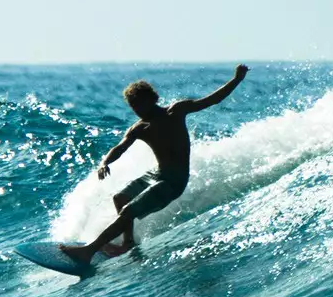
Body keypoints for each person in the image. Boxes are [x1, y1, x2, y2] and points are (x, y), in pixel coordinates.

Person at [60, 64, 248, 265]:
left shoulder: (176, 111)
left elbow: (212, 100)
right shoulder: (140, 128)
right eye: (133, 108)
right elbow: (120, 148)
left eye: (139, 105)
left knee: (128, 211)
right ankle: (128, 243)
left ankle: (88, 251)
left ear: (152, 99)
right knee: (120, 198)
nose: (137, 111)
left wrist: (237, 79)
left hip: (173, 182)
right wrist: (105, 162)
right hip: (156, 174)